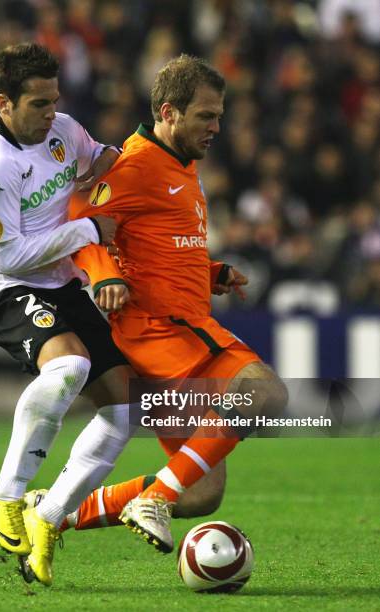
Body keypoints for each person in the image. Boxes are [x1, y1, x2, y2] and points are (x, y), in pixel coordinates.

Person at [27, 54, 288, 554]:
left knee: (203, 493)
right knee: (267, 393)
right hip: (162, 332)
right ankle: (155, 499)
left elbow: (158, 243)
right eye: (206, 116)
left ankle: (55, 512)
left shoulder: (180, 164)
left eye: (220, 115)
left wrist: (211, 272)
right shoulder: (135, 164)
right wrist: (104, 274)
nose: (217, 126)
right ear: (169, 112)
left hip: (178, 327)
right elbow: (82, 218)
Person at [0, 42, 137, 587]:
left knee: (124, 408)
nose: (50, 113)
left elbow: (102, 163)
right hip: (6, 286)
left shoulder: (62, 130)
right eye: (38, 104)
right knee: (69, 367)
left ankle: (49, 514)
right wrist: (88, 231)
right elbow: (8, 255)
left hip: (59, 283)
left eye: (54, 100)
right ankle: (5, 495)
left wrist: (143, 157)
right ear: (4, 103)